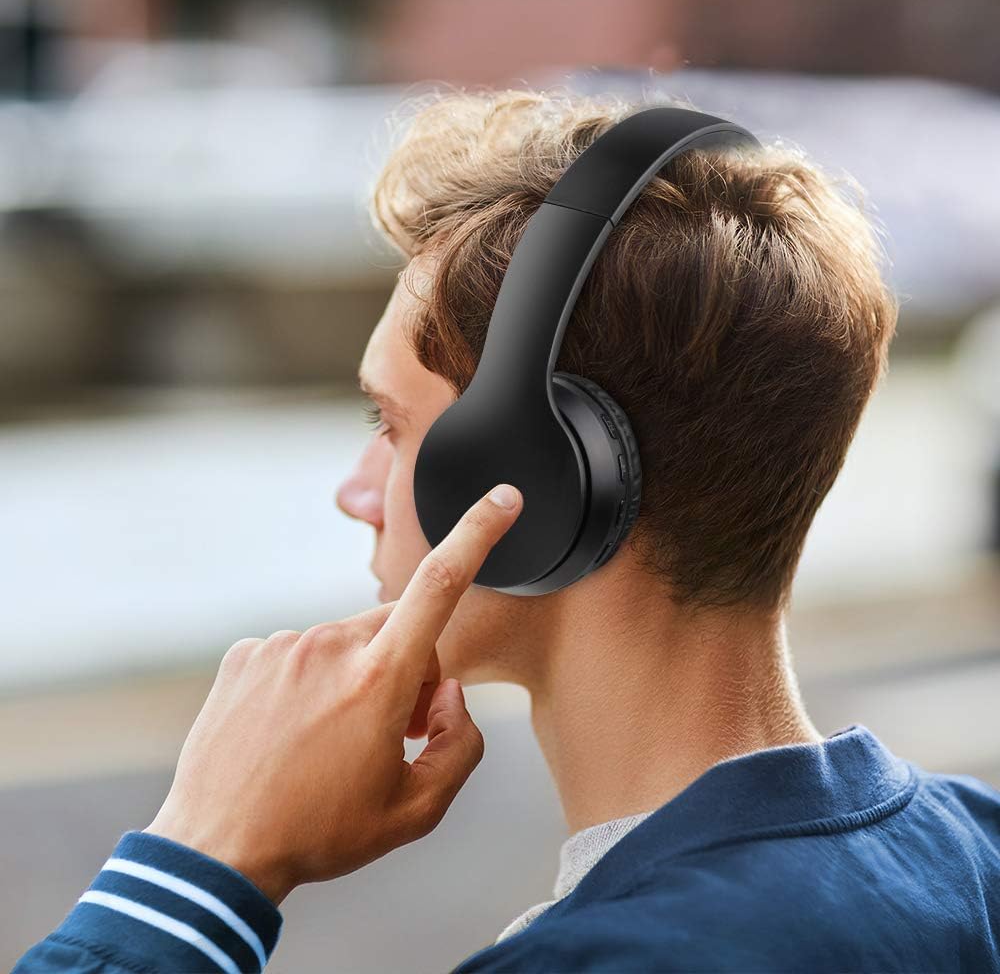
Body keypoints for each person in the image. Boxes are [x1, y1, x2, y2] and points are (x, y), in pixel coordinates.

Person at [14, 90, 1000, 973]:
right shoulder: (975, 847)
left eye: (390, 427)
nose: (356, 493)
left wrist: (200, 856)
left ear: (536, 477)